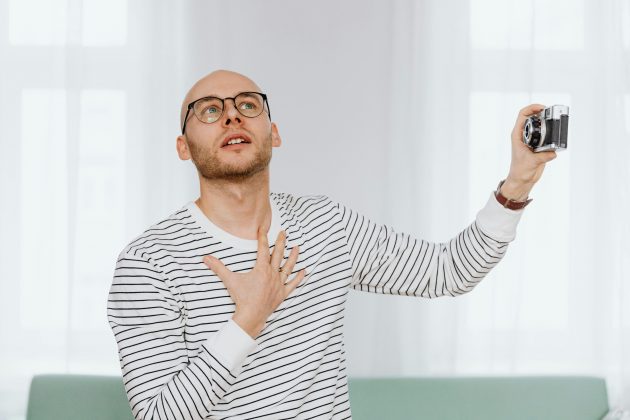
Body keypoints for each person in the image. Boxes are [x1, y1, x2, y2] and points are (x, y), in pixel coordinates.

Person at [107, 69, 557, 419]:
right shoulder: (148, 263)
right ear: (184, 147)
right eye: (208, 109)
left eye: (247, 104)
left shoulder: (326, 224)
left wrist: (517, 182)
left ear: (274, 134)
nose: (231, 115)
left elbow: (447, 271)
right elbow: (158, 413)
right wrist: (247, 319)